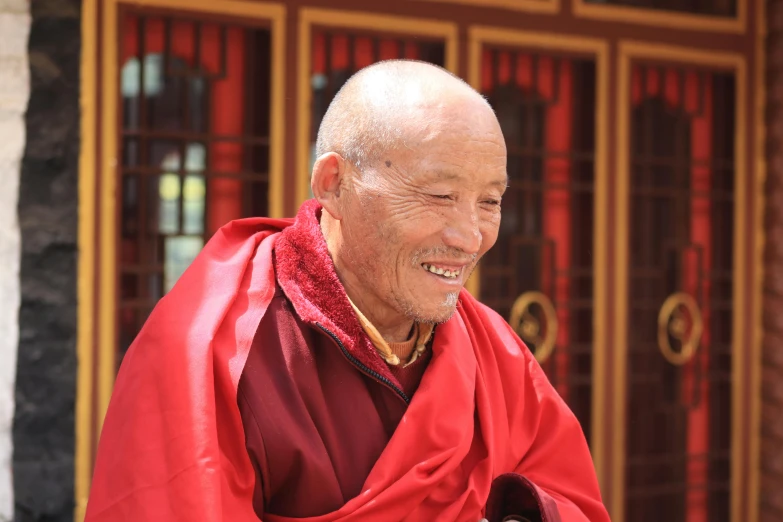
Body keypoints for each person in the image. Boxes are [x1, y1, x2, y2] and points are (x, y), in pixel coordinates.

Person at [85, 60, 611, 522]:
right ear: (333, 183)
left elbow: (569, 498)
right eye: (439, 195)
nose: (469, 237)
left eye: (490, 202)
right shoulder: (212, 347)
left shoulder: (494, 352)